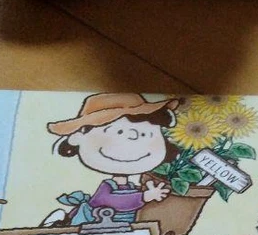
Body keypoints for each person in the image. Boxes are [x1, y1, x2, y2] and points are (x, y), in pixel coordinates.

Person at [46, 92, 179, 225]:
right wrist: (144, 197)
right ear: (78, 138)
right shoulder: (107, 186)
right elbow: (107, 201)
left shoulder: (131, 186)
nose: (132, 140)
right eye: (119, 132)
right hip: (94, 224)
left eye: (145, 134)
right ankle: (58, 223)